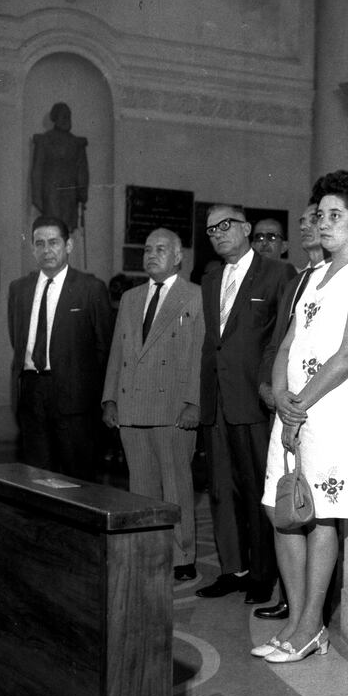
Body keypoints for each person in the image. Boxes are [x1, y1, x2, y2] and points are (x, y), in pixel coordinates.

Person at [255, 170, 348, 663]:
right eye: (321, 215)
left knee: (320, 519)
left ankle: (311, 625)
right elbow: (288, 342)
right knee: (280, 511)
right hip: (294, 409)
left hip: (329, 412)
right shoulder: (313, 276)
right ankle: (296, 620)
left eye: (336, 216)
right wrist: (281, 396)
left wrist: (302, 402)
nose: (325, 223)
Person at [196, 204, 296, 604]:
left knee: (258, 488)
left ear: (245, 228)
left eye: (225, 226)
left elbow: (281, 340)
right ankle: (232, 569)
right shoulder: (210, 278)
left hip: (254, 401)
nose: (218, 234)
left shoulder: (277, 273)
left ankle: (262, 574)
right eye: (210, 230)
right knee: (221, 490)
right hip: (216, 399)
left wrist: (270, 388)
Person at [102, 228, 204, 581]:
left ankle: (182, 557)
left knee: (176, 486)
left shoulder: (195, 297)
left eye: (161, 249)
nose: (151, 254)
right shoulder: (131, 298)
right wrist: (110, 398)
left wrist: (194, 404)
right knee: (140, 489)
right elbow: (117, 351)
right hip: (131, 409)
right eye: (147, 249)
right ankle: (147, 552)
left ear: (178, 257)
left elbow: (198, 357)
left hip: (173, 409)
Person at [254, 200, 326, 621]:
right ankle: (291, 598)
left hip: (309, 405)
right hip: (280, 402)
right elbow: (276, 340)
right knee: (281, 505)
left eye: (314, 218)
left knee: (312, 510)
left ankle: (308, 611)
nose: (305, 226)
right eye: (301, 220)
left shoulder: (339, 280)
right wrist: (267, 386)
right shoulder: (295, 280)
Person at [8, 215, 112, 481]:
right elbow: (18, 341)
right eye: (39, 243)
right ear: (32, 248)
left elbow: (104, 349)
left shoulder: (91, 289)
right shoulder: (19, 289)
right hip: (31, 393)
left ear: (69, 246)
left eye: (53, 242)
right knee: (36, 475)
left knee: (76, 478)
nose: (46, 250)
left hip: (75, 399)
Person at [31, 103, 89, 233]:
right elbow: (37, 171)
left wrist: (82, 194)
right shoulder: (45, 140)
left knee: (66, 231)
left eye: (69, 116)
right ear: (55, 118)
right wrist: (38, 199)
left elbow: (82, 171)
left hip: (70, 195)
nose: (67, 119)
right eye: (63, 116)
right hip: (51, 193)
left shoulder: (76, 143)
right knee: (54, 229)